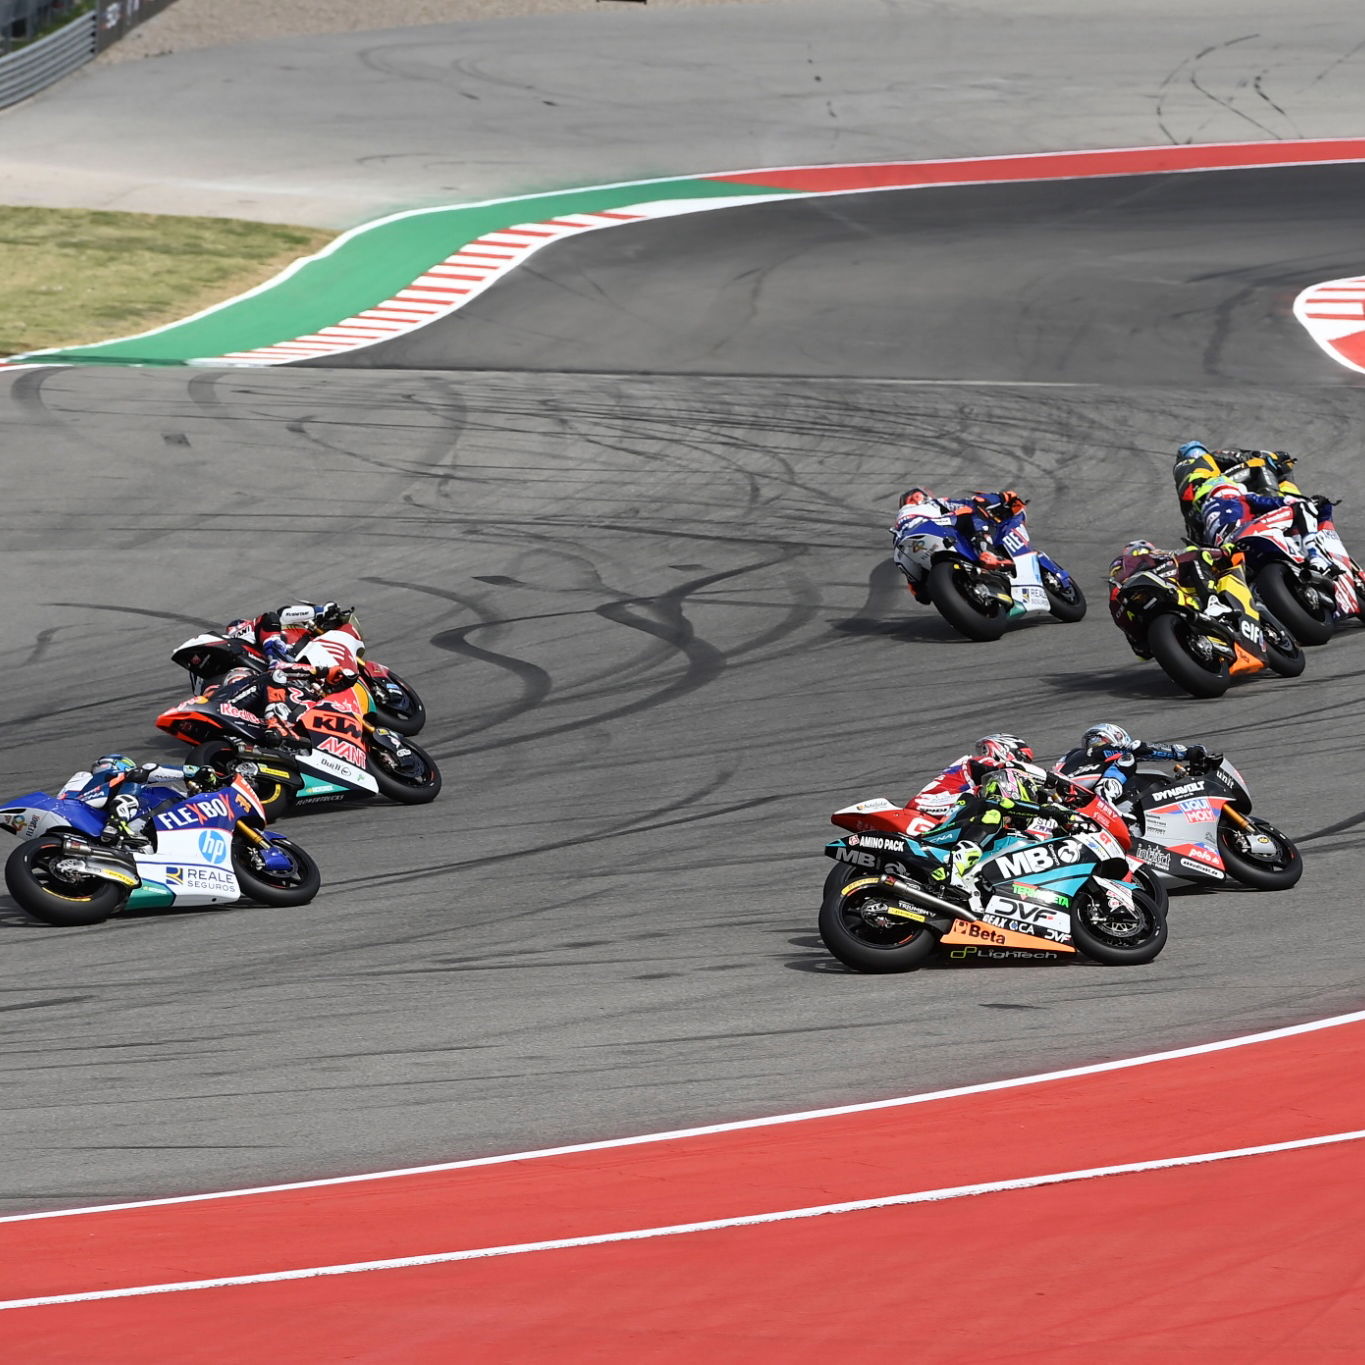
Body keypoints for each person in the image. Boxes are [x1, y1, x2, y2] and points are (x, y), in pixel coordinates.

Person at [920, 761, 1080, 908]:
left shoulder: (1003, 825)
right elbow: (1004, 804)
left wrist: (1063, 832)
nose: (1033, 800)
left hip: (968, 855)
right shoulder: (985, 801)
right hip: (936, 843)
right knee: (994, 815)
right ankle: (952, 869)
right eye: (1032, 796)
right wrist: (1045, 810)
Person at [1106, 538, 1242, 658]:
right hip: (1159, 581)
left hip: (1132, 603)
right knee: (1196, 555)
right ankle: (1213, 603)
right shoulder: (1148, 556)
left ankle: (1137, 639)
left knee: (1122, 607)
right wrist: (1224, 551)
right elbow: (1189, 551)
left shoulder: (1117, 573)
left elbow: (1144, 655)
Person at [891, 488, 1029, 597]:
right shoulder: (931, 503)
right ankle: (986, 551)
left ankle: (965, 588)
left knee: (919, 587)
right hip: (931, 527)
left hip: (903, 550)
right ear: (918, 497)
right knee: (972, 511)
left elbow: (921, 596)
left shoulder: (898, 526)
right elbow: (973, 502)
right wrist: (1002, 497)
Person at [58, 754, 216, 847]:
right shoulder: (107, 778)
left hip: (91, 829)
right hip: (95, 816)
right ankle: (117, 823)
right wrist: (195, 773)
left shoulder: (81, 784)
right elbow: (147, 771)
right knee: (143, 771)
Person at [1052, 723, 1220, 809]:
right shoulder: (1087, 754)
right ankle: (1105, 799)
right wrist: (1187, 753)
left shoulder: (1073, 758)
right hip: (1071, 790)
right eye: (1092, 741)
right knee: (1127, 755)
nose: (1093, 744)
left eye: (1096, 740)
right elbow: (1138, 748)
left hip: (1066, 797)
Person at [1172, 441, 1302, 547]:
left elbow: (1193, 529)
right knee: (1267, 466)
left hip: (1207, 511)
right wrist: (1269, 459)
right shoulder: (1203, 460)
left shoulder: (1182, 485)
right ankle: (1285, 500)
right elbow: (1244, 458)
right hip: (1212, 486)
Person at [901, 733, 1036, 831]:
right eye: (1021, 758)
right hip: (927, 803)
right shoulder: (977, 762)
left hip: (945, 811)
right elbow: (1013, 768)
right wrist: (1053, 779)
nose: (1023, 763)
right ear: (1003, 748)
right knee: (987, 793)